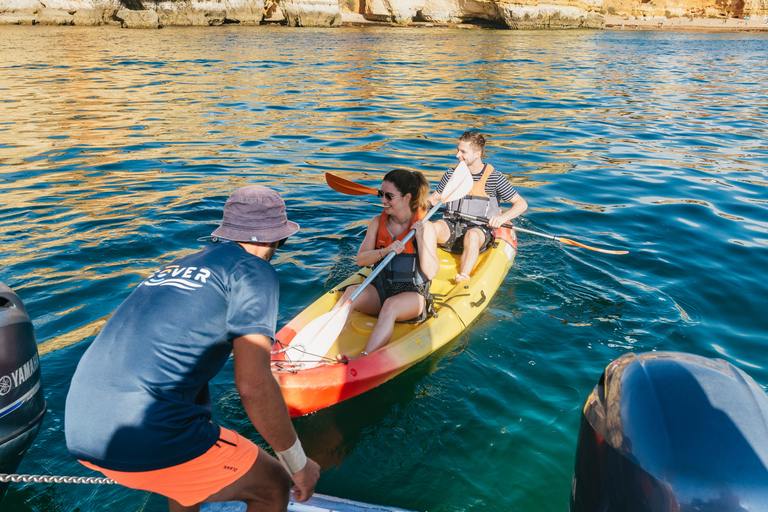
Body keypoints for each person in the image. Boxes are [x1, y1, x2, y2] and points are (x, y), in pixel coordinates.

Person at [65, 185, 320, 512]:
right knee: (273, 484)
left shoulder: (174, 266)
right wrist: (298, 463)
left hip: (81, 428)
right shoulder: (254, 270)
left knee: (188, 469)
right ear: (274, 239)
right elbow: (254, 385)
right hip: (147, 434)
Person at [334, 169, 439, 361]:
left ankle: (364, 358)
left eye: (389, 196)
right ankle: (319, 339)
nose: (383, 201)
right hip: (382, 290)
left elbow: (431, 272)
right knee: (351, 293)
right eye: (382, 194)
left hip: (413, 297)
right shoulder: (376, 222)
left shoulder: (426, 227)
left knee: (391, 305)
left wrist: (421, 239)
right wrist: (384, 251)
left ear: (407, 197)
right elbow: (361, 260)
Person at [428, 131, 528, 283]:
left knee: (472, 235)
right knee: (429, 228)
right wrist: (420, 204)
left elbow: (521, 204)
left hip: (480, 230)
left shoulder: (495, 178)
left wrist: (503, 217)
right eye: (457, 150)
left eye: (463, 152)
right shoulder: (451, 174)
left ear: (477, 154)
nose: (457, 155)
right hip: (451, 226)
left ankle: (463, 277)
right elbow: (434, 198)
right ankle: (422, 269)